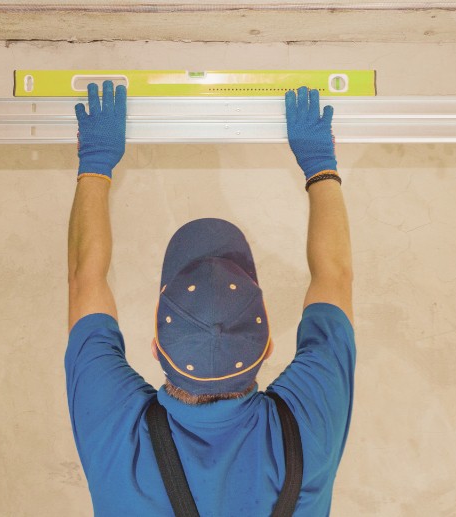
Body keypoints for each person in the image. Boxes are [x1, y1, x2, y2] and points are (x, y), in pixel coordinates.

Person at [66, 80, 356, 516]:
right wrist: (319, 162)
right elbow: (334, 277)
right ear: (267, 348)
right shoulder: (303, 430)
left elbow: (84, 279)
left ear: (156, 347)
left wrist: (97, 160)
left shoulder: (117, 431)